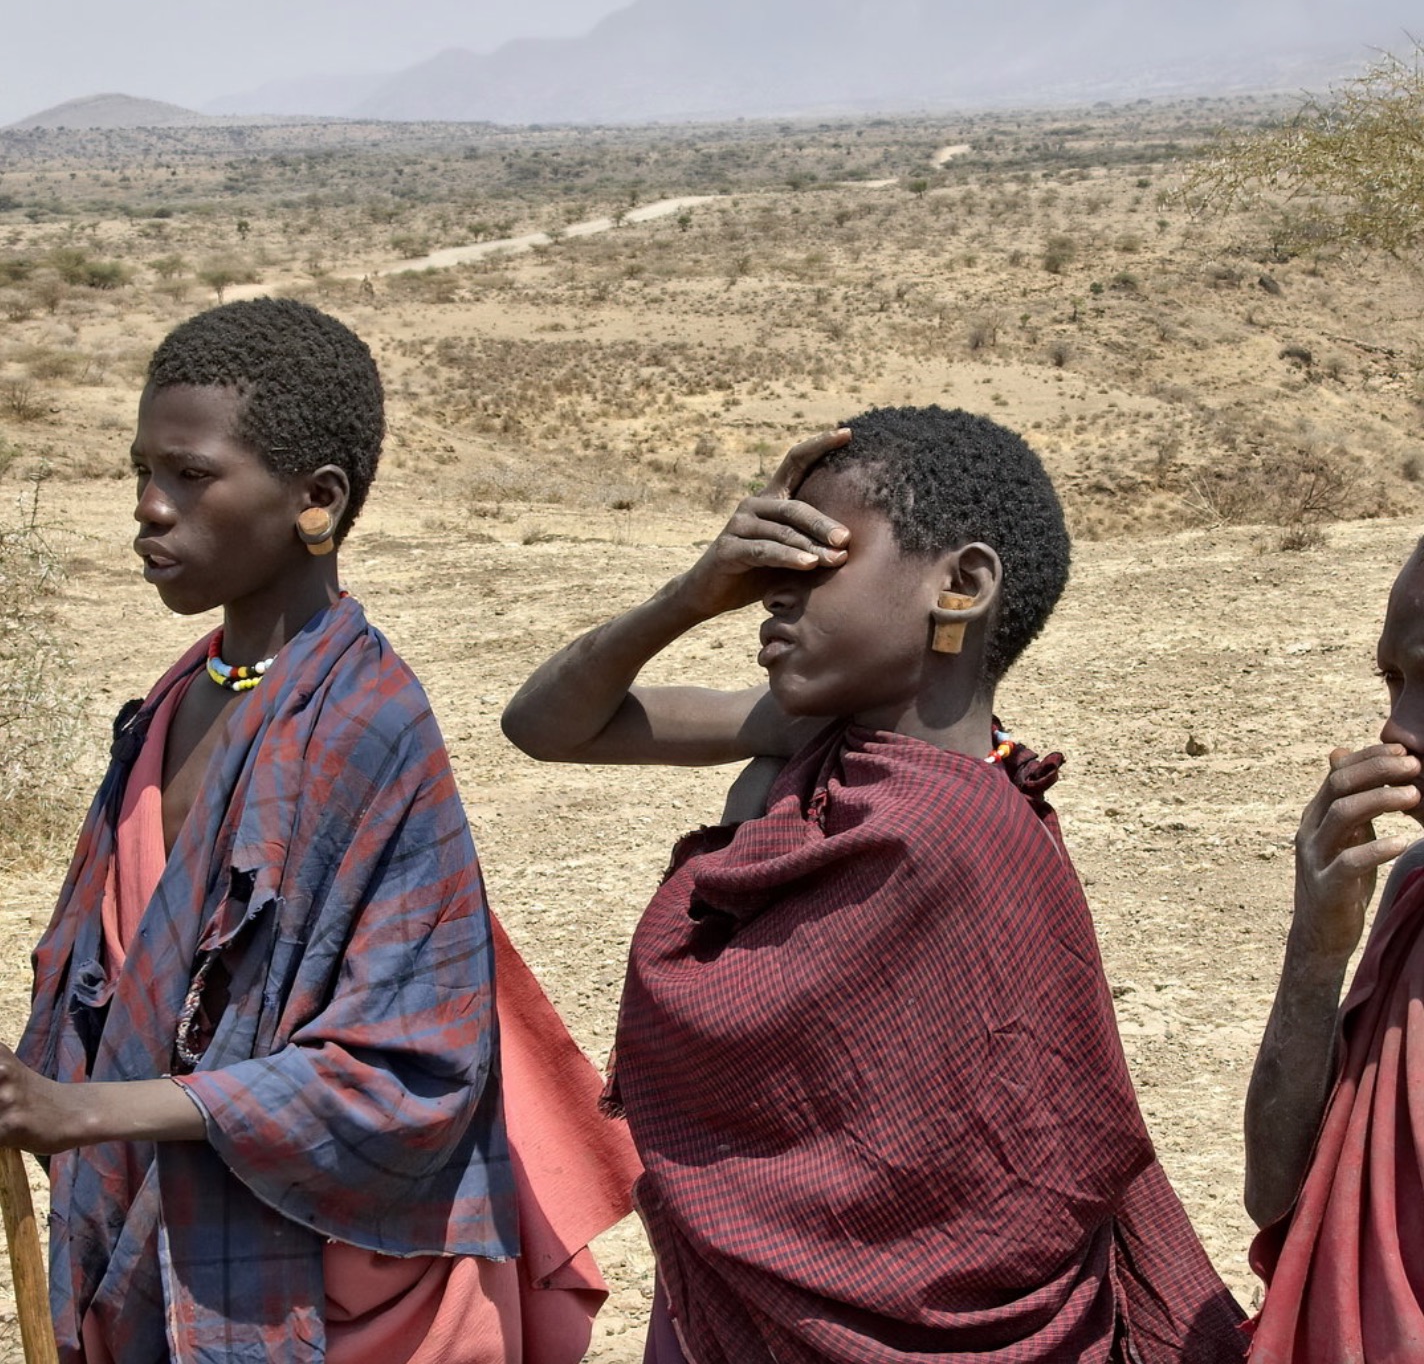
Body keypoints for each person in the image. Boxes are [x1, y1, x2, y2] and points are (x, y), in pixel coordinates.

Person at [502, 406, 1246, 1364]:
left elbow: (1014, 1160)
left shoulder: (972, 835)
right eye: (767, 573)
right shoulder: (800, 740)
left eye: (814, 569)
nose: (774, 598)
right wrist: (691, 593)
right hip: (738, 1296)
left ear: (962, 586)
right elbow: (543, 725)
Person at [0, 298, 636, 1363]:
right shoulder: (171, 702)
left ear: (316, 501)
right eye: (139, 473)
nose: (149, 509)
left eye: (191, 477)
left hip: (325, 1278)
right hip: (155, 1239)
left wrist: (93, 1109)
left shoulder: (369, 725)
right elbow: (104, 977)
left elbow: (409, 1071)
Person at [1244, 538, 1424, 1361]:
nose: (1395, 726)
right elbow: (1277, 1195)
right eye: (1392, 679)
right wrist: (1316, 951)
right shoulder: (1414, 884)